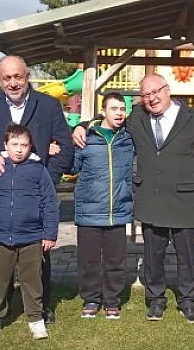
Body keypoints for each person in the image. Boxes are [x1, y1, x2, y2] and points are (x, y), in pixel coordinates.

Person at [73, 74, 194, 323]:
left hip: (185, 201)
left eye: (155, 92)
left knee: (186, 258)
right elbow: (109, 118)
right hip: (151, 199)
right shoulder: (137, 117)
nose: (151, 98)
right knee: (152, 257)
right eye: (146, 95)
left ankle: (187, 301)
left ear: (167, 90)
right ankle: (156, 300)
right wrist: (83, 125)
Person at [0, 55, 72, 324]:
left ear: (27, 77)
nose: (13, 83)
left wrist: (45, 179)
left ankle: (41, 307)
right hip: (0, 193)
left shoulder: (48, 105)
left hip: (35, 194)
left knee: (38, 255)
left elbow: (65, 147)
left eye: (18, 77)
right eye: (7, 78)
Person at [0, 125, 58, 340]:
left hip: (31, 238)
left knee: (32, 280)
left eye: (24, 145)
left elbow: (49, 203)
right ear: (5, 145)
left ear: (30, 146)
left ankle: (36, 319)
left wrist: (49, 234)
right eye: (14, 144)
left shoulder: (38, 170)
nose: (19, 149)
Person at [73, 92, 133, 319]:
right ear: (103, 112)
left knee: (115, 260)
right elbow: (72, 166)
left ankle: (111, 300)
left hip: (117, 210)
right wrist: (74, 132)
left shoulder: (129, 138)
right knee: (88, 260)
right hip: (89, 210)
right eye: (114, 109)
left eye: (122, 109)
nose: (119, 113)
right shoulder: (87, 138)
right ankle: (90, 299)